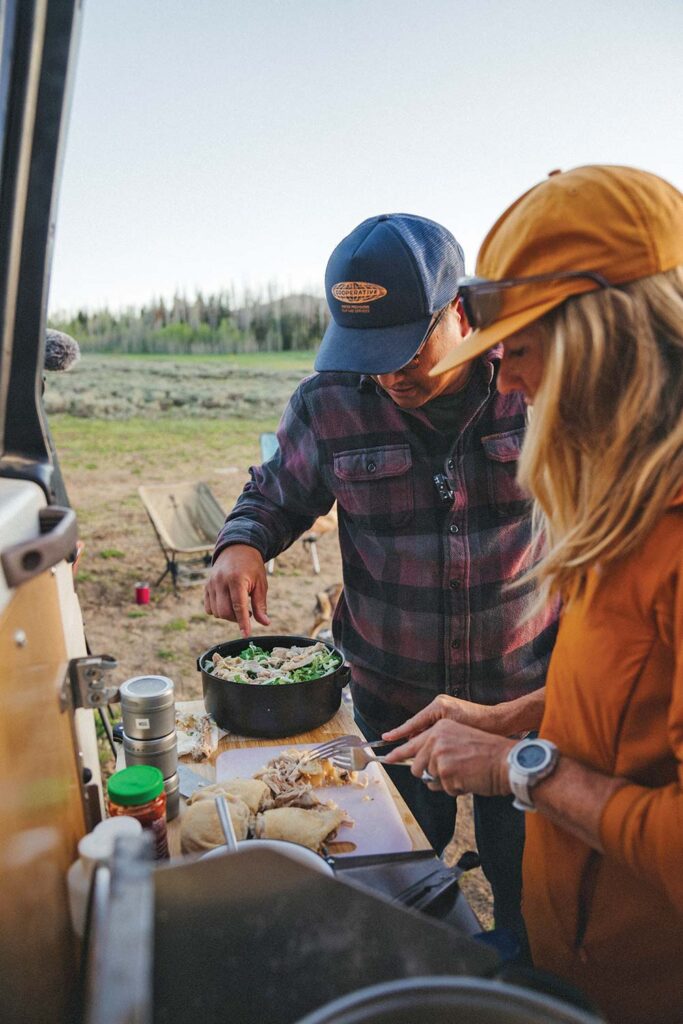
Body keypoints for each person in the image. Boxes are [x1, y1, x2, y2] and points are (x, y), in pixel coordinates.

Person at [204, 213, 558, 945]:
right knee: (392, 900)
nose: (387, 373)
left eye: (405, 347)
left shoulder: (532, 383)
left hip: (527, 698)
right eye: (365, 351)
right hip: (390, 703)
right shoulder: (328, 400)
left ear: (458, 312)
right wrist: (241, 545)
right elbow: (274, 494)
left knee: (538, 903)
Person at [383, 167, 683, 1023]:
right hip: (574, 957)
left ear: (603, 338)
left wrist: (519, 771)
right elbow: (636, 698)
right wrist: (518, 718)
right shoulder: (626, 497)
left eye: (515, 350)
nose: (504, 384)